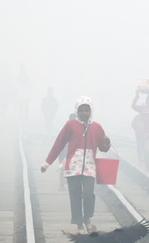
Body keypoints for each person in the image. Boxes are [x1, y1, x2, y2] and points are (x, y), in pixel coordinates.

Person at [41, 97, 111, 232]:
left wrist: (107, 143)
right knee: (75, 194)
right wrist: (47, 162)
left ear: (91, 111)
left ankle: (87, 217)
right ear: (76, 111)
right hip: (73, 167)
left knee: (89, 194)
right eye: (81, 110)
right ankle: (79, 223)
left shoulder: (97, 127)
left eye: (87, 110)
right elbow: (59, 143)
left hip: (89, 167)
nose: (84, 113)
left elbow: (102, 147)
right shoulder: (70, 125)